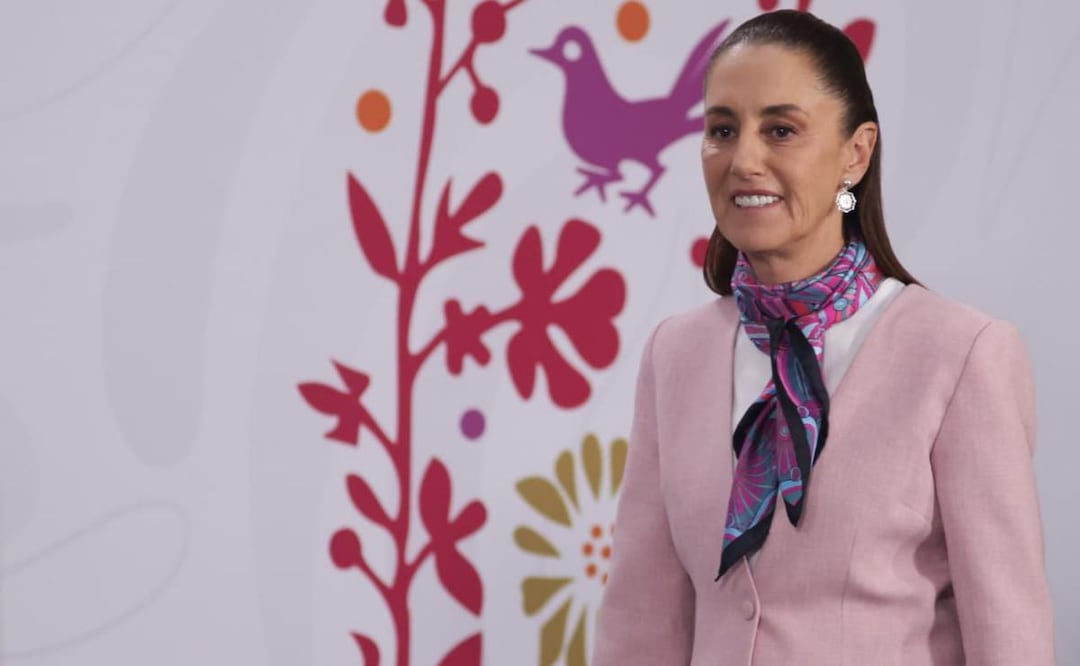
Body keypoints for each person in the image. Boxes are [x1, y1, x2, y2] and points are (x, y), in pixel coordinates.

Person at [592, 10, 1055, 665]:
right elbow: (640, 627)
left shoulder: (961, 353)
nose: (744, 159)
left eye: (781, 130)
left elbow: (1009, 640)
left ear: (855, 153)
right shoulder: (675, 354)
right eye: (723, 129)